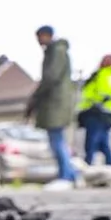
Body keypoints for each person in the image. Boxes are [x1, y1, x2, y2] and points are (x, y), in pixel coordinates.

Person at [25, 25, 77, 191]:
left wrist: (35, 96)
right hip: (54, 102)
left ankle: (66, 176)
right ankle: (72, 175)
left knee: (57, 140)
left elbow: (51, 77)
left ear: (47, 35)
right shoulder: (54, 51)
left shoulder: (57, 51)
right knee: (57, 139)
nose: (39, 41)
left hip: (55, 103)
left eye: (40, 37)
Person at [76, 54, 111, 166]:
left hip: (101, 113)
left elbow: (106, 94)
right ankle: (110, 166)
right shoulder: (97, 75)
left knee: (92, 141)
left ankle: (88, 166)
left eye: (107, 60)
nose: (103, 62)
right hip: (92, 112)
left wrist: (98, 102)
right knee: (103, 142)